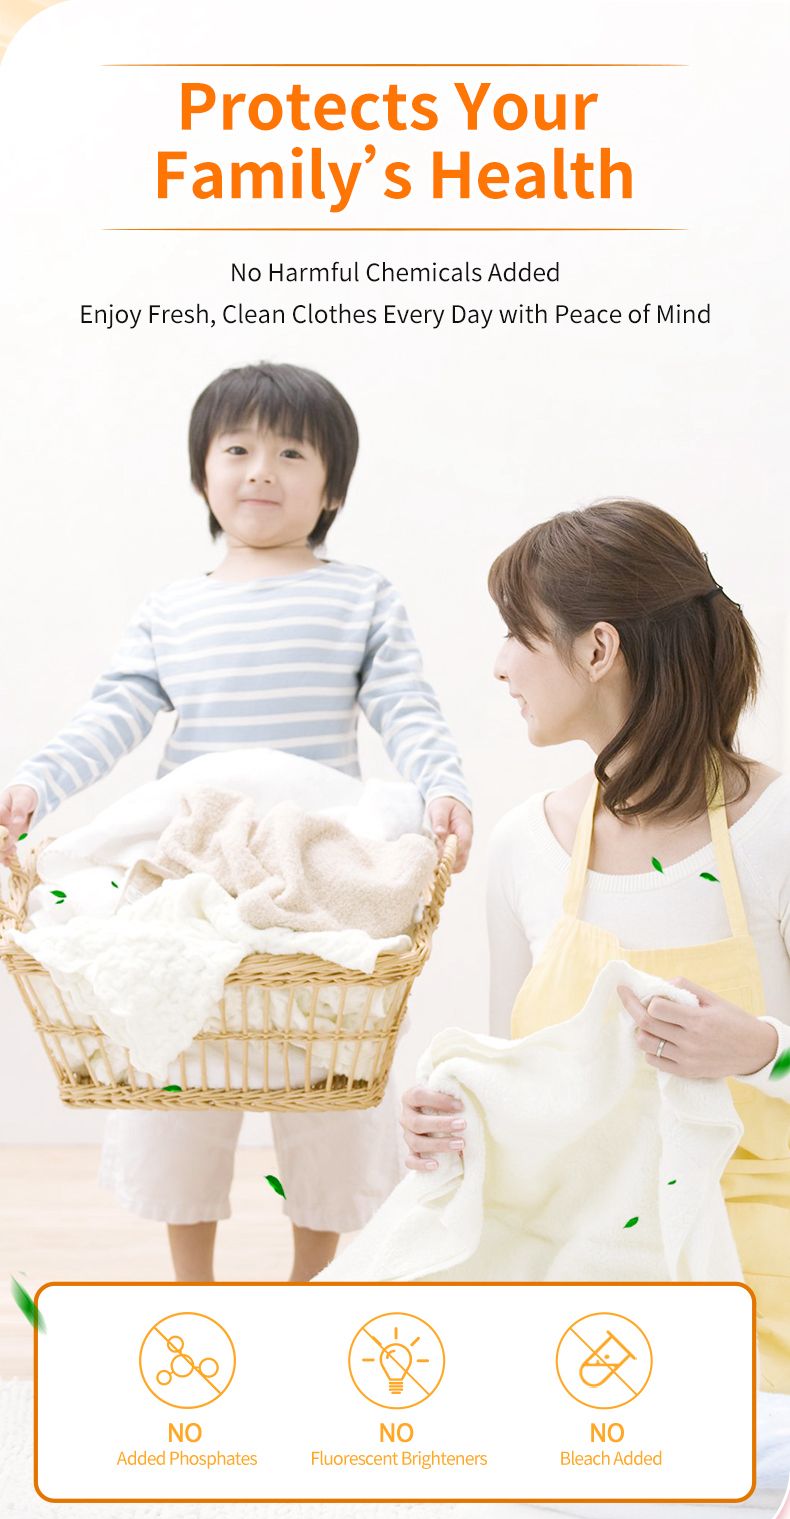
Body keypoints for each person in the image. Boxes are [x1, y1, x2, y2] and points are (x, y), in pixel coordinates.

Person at [0, 359, 473, 1283]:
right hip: (197, 856)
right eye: (238, 448)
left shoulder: (361, 596)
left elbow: (407, 706)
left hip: (313, 856)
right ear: (202, 473)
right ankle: (196, 1286)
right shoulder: (172, 609)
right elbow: (113, 713)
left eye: (292, 453)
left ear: (332, 489)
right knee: (177, 1057)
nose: (262, 469)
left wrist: (440, 787)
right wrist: (35, 784)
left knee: (327, 1068)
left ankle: (307, 1282)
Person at [401, 498, 790, 1391]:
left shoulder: (777, 828)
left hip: (752, 1243)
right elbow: (512, 1077)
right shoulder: (522, 847)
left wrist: (760, 1049)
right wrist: (447, 1119)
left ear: (598, 648)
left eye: (518, 633)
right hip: (572, 1243)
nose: (500, 664)